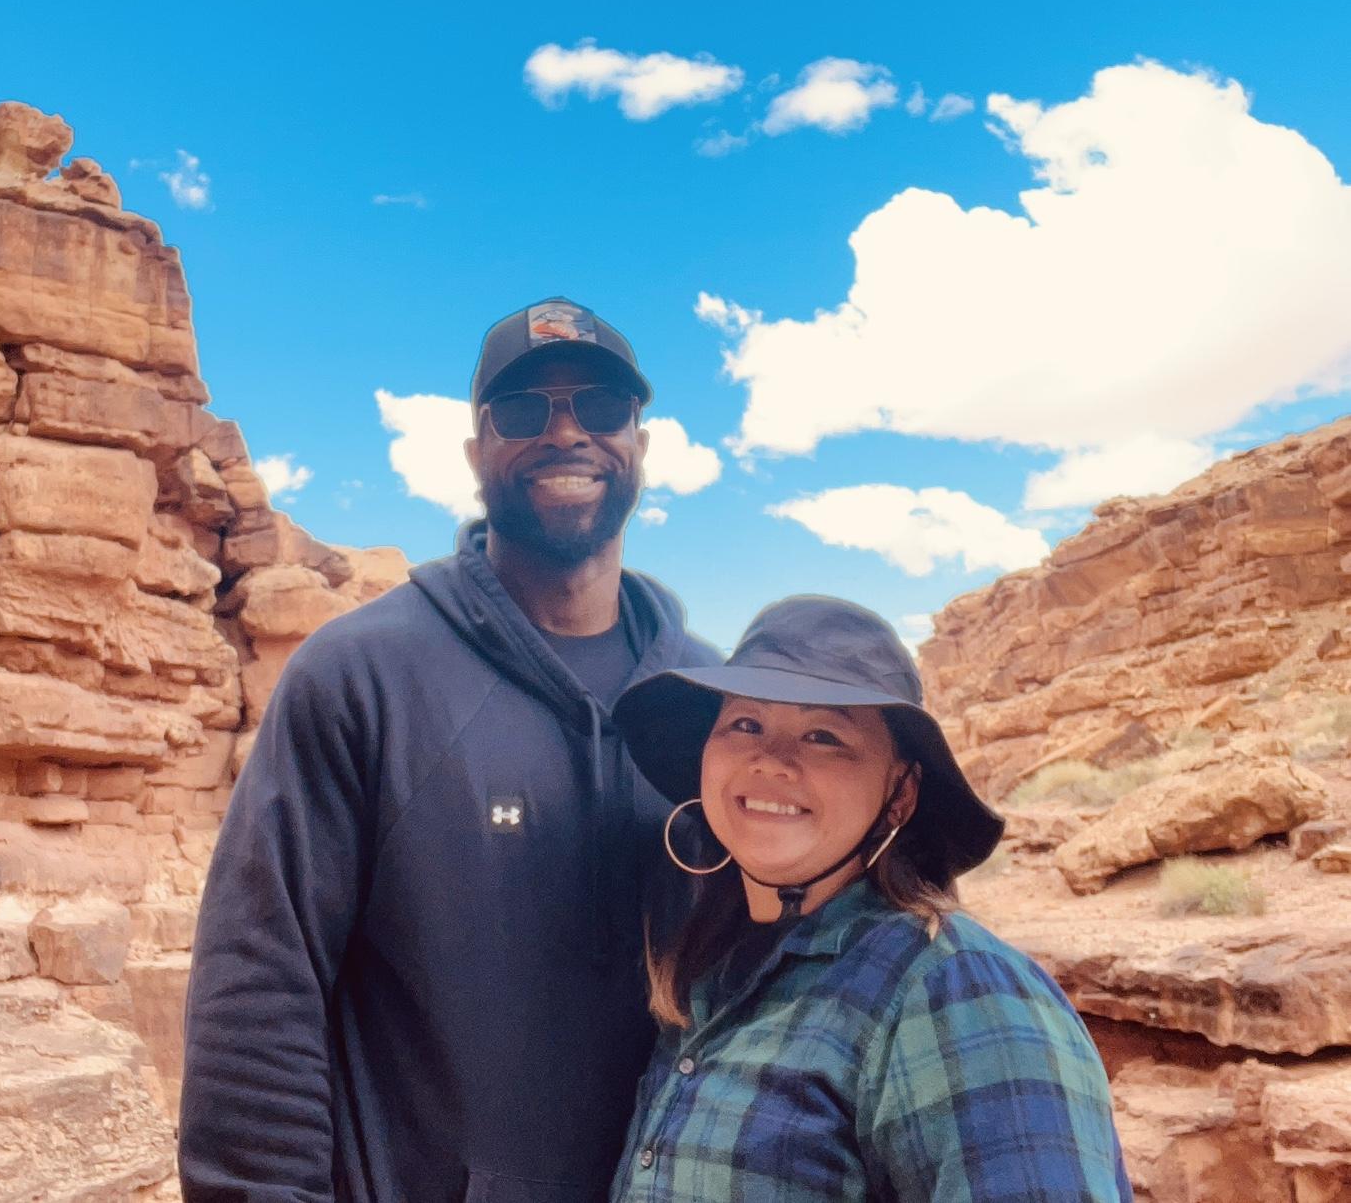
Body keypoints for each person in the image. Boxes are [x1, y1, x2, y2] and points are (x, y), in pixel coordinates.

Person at [179, 297, 720, 1203]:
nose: (565, 433)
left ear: (641, 442)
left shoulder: (716, 705)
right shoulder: (360, 676)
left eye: (600, 406)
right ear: (476, 453)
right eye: (523, 411)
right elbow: (260, 986)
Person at [609, 595, 1133, 1203]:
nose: (770, 761)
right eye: (745, 724)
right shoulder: (710, 973)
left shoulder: (955, 989)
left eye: (823, 735)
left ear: (900, 794)